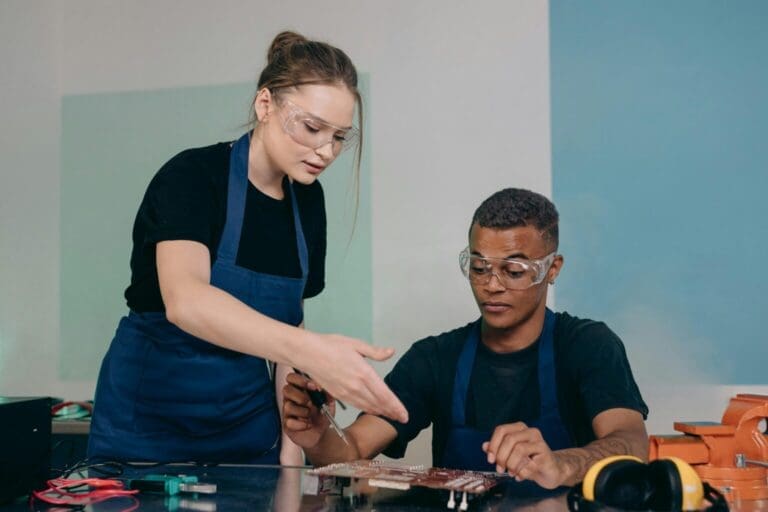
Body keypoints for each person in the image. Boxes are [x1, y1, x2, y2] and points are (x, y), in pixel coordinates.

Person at [87, 31, 407, 465]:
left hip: (246, 435)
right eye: (312, 128)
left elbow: (286, 342)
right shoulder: (193, 177)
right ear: (265, 105)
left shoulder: (307, 202)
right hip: (145, 433)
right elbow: (187, 301)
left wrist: (289, 473)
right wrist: (311, 350)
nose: (326, 151)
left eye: (339, 137)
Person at [283, 188, 649, 491]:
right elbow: (353, 449)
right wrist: (319, 434)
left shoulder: (588, 346)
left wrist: (561, 464)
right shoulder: (434, 358)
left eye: (514, 270)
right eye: (479, 267)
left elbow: (631, 443)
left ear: (552, 269)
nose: (492, 285)